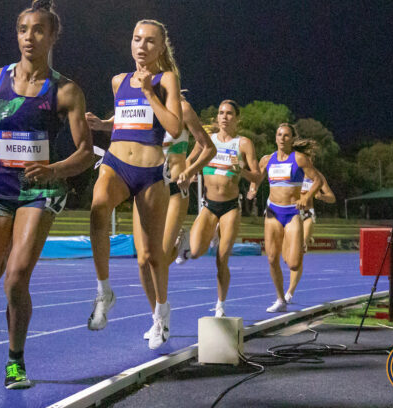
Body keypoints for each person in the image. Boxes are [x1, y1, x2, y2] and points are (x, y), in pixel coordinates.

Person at [0, 0, 93, 389]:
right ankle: (5, 249)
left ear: (52, 36)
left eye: (38, 30)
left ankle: (15, 362)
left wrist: (53, 169)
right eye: (22, 30)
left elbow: (86, 154)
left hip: (40, 191)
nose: (29, 37)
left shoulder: (66, 91)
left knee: (16, 280)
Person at [86, 19, 183, 350]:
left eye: (150, 41)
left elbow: (173, 124)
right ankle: (104, 291)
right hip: (116, 162)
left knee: (152, 256)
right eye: (137, 39)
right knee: (98, 209)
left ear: (160, 47)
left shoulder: (166, 79)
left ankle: (161, 313)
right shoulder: (118, 81)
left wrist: (148, 92)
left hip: (150, 172)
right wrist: (103, 123)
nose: (141, 46)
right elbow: (125, 114)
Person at [86, 91, 215, 339]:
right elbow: (121, 119)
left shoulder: (183, 109)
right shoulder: (142, 104)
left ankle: (178, 242)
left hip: (175, 188)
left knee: (159, 258)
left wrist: (189, 169)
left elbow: (207, 146)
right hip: (147, 183)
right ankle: (157, 318)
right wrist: (102, 125)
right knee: (144, 259)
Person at [182, 100, 262, 318]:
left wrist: (242, 171)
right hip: (208, 204)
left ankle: (220, 304)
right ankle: (186, 242)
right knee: (197, 252)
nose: (224, 117)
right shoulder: (207, 141)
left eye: (229, 113)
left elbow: (257, 176)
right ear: (216, 118)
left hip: (230, 207)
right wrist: (186, 175)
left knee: (222, 257)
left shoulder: (243, 143)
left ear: (237, 118)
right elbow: (189, 161)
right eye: (221, 113)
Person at [247, 123, 324, 313]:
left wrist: (306, 197)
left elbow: (318, 180)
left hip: (292, 213)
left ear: (292, 139)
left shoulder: (299, 159)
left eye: (287, 135)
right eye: (279, 135)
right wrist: (253, 188)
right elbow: (257, 177)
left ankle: (291, 263)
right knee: (272, 258)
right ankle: (280, 299)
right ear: (275, 138)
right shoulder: (267, 159)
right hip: (273, 211)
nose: (282, 138)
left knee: (293, 263)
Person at [282, 168, 336, 301]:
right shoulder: (291, 170)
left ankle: (289, 292)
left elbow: (332, 198)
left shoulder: (317, 176)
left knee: (298, 251)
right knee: (287, 258)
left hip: (307, 214)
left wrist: (321, 197)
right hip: (291, 214)